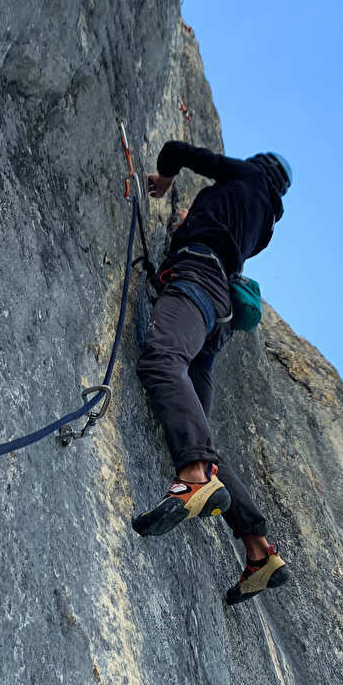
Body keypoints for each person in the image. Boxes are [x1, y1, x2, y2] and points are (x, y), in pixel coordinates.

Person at [133, 141, 293, 605]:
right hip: (216, 313)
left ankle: (194, 477)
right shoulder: (262, 225)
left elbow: (176, 150)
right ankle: (260, 552)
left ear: (259, 168)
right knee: (199, 431)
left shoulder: (244, 177)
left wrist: (162, 180)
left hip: (197, 281)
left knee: (162, 360)